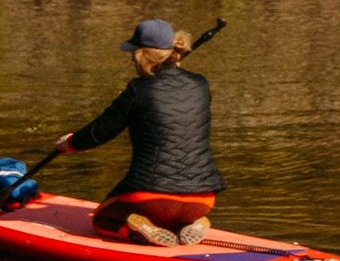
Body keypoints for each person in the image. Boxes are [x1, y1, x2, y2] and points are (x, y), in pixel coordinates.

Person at [53, 18, 223, 246]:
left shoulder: (137, 90)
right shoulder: (201, 85)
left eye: (133, 53)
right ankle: (195, 222)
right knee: (175, 210)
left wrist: (70, 143)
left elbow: (99, 132)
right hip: (202, 198)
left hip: (150, 197)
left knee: (102, 219)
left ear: (141, 56)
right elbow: (174, 103)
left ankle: (134, 231)